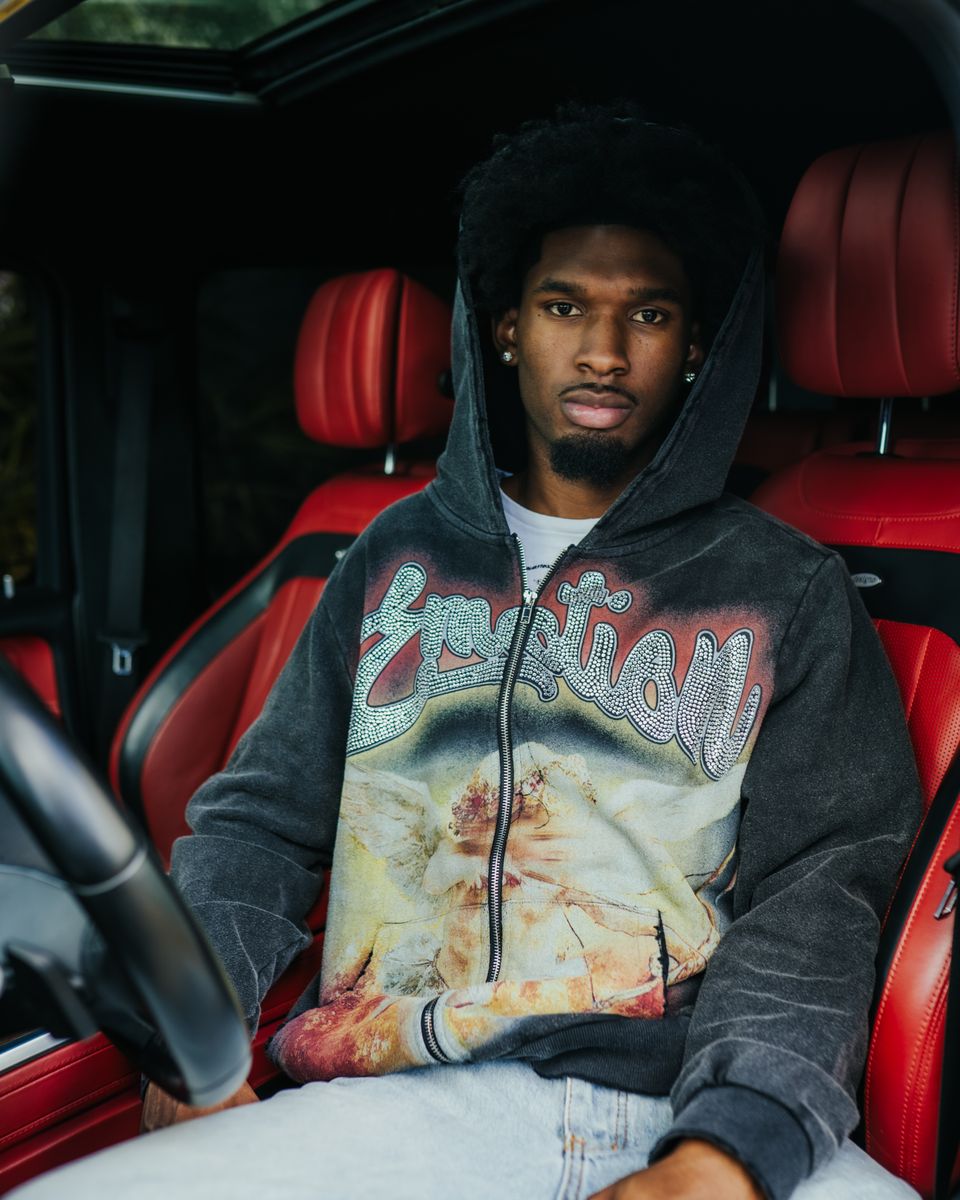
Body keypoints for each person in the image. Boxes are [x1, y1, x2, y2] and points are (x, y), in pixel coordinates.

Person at [13, 105, 922, 1200]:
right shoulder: (391, 558)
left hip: (685, 1101)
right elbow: (258, 823)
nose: (603, 351)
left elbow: (821, 895)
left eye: (648, 313)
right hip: (404, 1095)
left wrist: (729, 1147)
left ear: (694, 348)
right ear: (504, 329)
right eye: (563, 306)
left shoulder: (784, 586)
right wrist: (188, 1032)